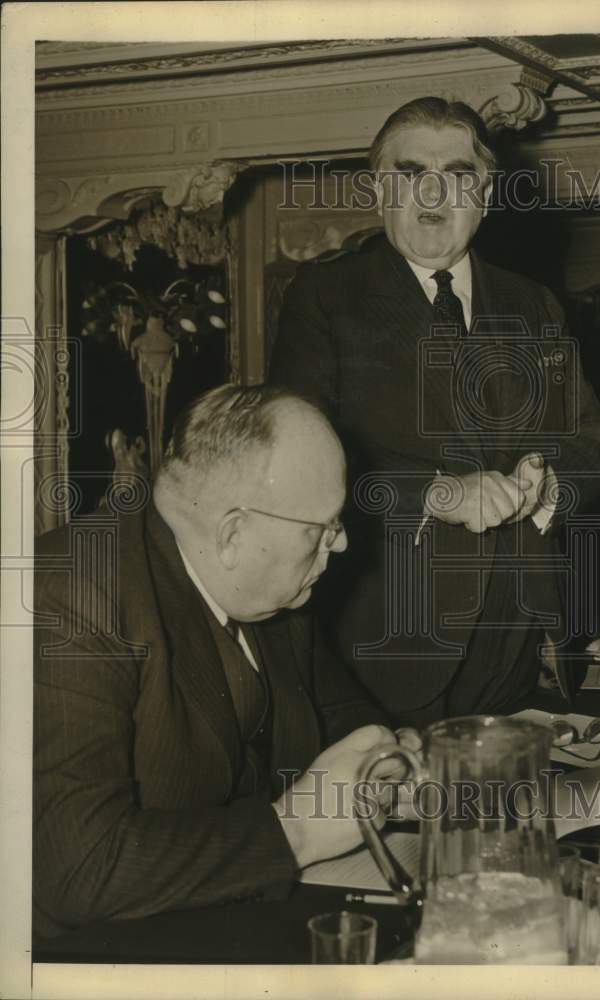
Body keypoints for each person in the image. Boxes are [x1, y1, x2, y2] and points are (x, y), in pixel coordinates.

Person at [271, 96, 600, 728]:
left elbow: (596, 437)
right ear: (381, 189)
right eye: (410, 173)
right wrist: (437, 495)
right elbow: (294, 460)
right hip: (386, 644)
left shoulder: (531, 303)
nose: (434, 192)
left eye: (458, 175)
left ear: (483, 195)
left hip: (520, 639)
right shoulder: (326, 298)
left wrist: (544, 488)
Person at [33, 384, 408, 940]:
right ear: (234, 533)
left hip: (234, 924)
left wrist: (386, 762)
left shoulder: (272, 585)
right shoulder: (72, 596)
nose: (343, 544)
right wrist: (297, 829)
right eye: (321, 529)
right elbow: (79, 869)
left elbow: (341, 711)